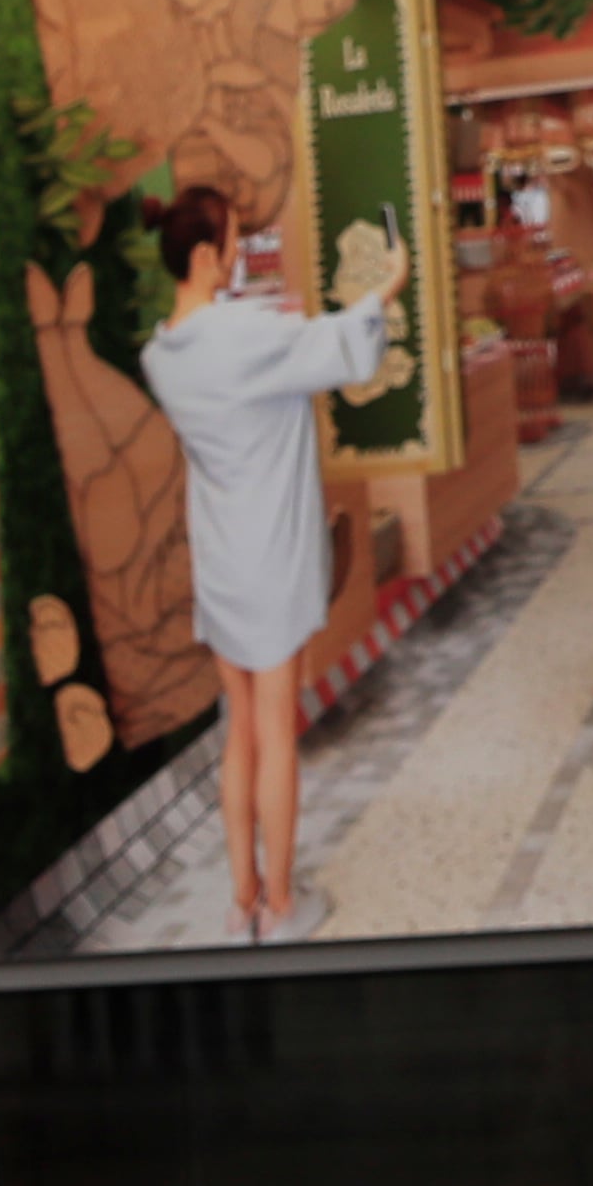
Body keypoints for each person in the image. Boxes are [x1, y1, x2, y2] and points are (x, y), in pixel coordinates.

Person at [137, 182, 402, 941]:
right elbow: (340, 350)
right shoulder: (242, 336)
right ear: (203, 253)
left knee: (240, 731)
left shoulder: (162, 355)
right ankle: (284, 905)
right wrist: (388, 284)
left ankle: (242, 897)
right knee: (277, 729)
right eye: (230, 241)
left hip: (219, 554)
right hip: (273, 550)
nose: (238, 252)